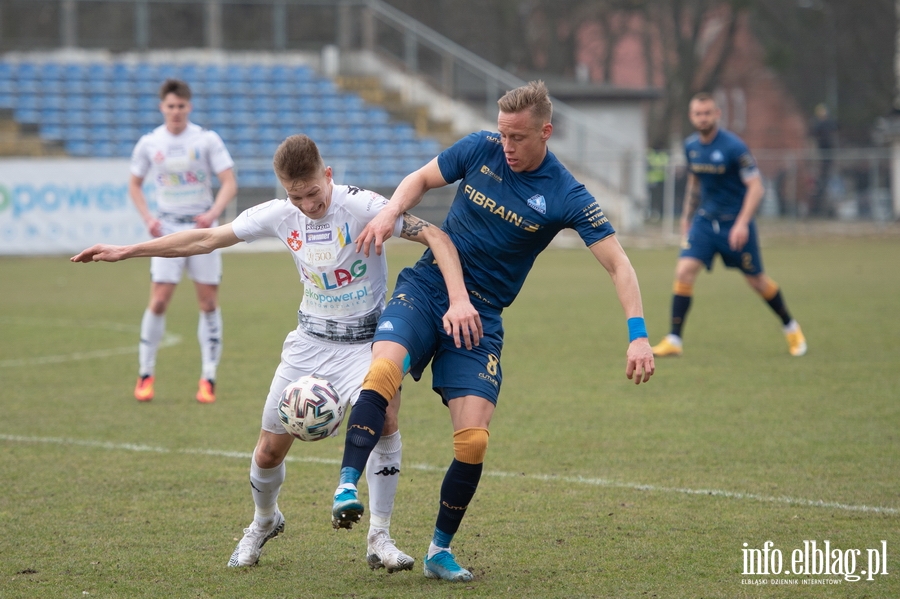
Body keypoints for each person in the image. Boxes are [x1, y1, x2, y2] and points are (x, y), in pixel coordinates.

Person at [72, 135, 482, 572]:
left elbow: (436, 236)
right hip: (308, 345)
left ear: (328, 175)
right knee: (268, 451)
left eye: (313, 193)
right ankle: (264, 521)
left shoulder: (361, 206)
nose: (307, 204)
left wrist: (459, 299)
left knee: (386, 420)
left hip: (366, 341)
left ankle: (379, 536)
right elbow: (206, 239)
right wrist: (128, 250)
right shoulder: (279, 214)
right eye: (296, 196)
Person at [328, 80, 655, 582]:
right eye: (503, 135)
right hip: (428, 286)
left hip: (481, 317)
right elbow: (420, 178)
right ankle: (346, 486)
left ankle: (439, 550)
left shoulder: (566, 194)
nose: (507, 147)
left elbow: (619, 264)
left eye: (518, 138)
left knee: (474, 441)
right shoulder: (480, 148)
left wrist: (637, 333)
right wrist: (393, 208)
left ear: (546, 132)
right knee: (384, 369)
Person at [651, 93, 807, 358]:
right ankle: (674, 339)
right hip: (704, 221)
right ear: (692, 116)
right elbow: (695, 182)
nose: (702, 118)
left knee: (757, 281)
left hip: (734, 224)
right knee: (684, 271)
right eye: (698, 114)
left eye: (707, 113)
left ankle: (791, 328)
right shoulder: (691, 147)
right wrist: (687, 217)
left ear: (717, 114)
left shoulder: (735, 147)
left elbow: (756, 188)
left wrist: (742, 224)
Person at [128, 78, 238, 404]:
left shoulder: (206, 140)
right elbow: (134, 185)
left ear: (189, 107)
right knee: (159, 300)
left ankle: (208, 377)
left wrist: (214, 211)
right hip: (168, 231)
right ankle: (145, 373)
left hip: (203, 230)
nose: (175, 111)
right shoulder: (149, 143)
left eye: (181, 106)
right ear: (162, 107)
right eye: (170, 106)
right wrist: (149, 218)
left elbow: (229, 182)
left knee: (207, 302)